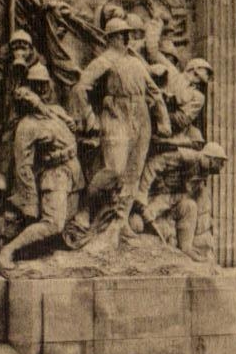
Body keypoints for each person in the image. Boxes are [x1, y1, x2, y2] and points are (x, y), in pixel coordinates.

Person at [72, 15, 172, 215]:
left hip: (141, 118)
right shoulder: (105, 60)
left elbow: (154, 92)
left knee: (133, 175)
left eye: (127, 34)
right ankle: (85, 209)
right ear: (111, 38)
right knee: (115, 170)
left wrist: (163, 120)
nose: (126, 39)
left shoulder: (135, 63)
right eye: (121, 35)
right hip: (116, 114)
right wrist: (90, 117)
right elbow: (80, 88)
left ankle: (120, 221)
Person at [0, 65, 83, 271]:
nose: (42, 89)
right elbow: (23, 167)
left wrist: (73, 126)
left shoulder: (56, 111)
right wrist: (30, 201)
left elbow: (72, 131)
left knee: (70, 222)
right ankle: (8, 251)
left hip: (74, 171)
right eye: (36, 86)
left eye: (44, 84)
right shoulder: (27, 126)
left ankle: (47, 256)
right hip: (55, 175)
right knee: (52, 224)